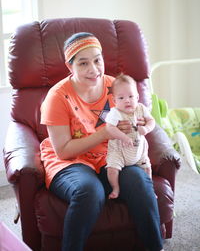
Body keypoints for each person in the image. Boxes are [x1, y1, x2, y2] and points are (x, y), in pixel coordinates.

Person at [40, 32, 164, 251]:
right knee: (89, 190)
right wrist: (105, 133)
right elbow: (63, 151)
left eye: (97, 60)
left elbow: (142, 120)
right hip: (70, 161)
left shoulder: (116, 88)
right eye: (83, 63)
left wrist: (136, 127)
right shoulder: (57, 97)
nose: (94, 69)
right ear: (70, 67)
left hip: (111, 156)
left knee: (139, 181)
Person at [105, 74, 155, 199]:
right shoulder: (115, 112)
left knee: (147, 168)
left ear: (137, 97)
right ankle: (115, 188)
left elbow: (151, 121)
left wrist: (146, 128)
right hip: (119, 151)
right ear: (115, 101)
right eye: (121, 98)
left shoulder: (141, 108)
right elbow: (109, 128)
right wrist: (123, 137)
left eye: (131, 96)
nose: (127, 100)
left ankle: (151, 190)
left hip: (139, 150)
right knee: (111, 169)